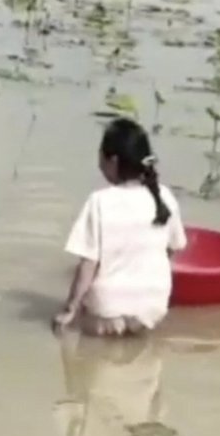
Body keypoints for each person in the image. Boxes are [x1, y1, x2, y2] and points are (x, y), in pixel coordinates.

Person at [53, 117, 188, 336]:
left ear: (113, 161)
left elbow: (88, 265)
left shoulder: (99, 201)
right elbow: (171, 249)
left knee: (81, 345)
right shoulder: (164, 197)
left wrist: (70, 308)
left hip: (107, 311)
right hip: (152, 309)